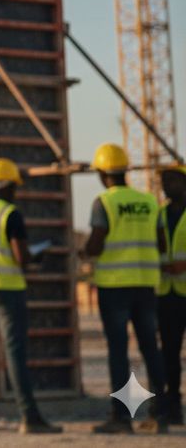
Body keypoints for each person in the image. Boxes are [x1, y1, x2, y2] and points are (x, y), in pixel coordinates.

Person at [0, 158, 61, 433]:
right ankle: (30, 417)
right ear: (7, 187)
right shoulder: (9, 214)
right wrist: (35, 255)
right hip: (7, 292)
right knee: (15, 353)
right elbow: (21, 257)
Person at [85, 142, 169, 434]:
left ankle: (121, 418)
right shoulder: (149, 201)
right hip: (146, 285)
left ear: (101, 172)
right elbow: (162, 245)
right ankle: (161, 414)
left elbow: (95, 244)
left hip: (114, 287)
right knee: (150, 348)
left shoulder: (104, 202)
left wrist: (84, 253)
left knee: (118, 351)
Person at [158, 164, 186, 425]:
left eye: (172, 179)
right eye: (164, 180)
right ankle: (173, 405)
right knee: (169, 353)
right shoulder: (160, 215)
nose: (166, 185)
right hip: (167, 293)